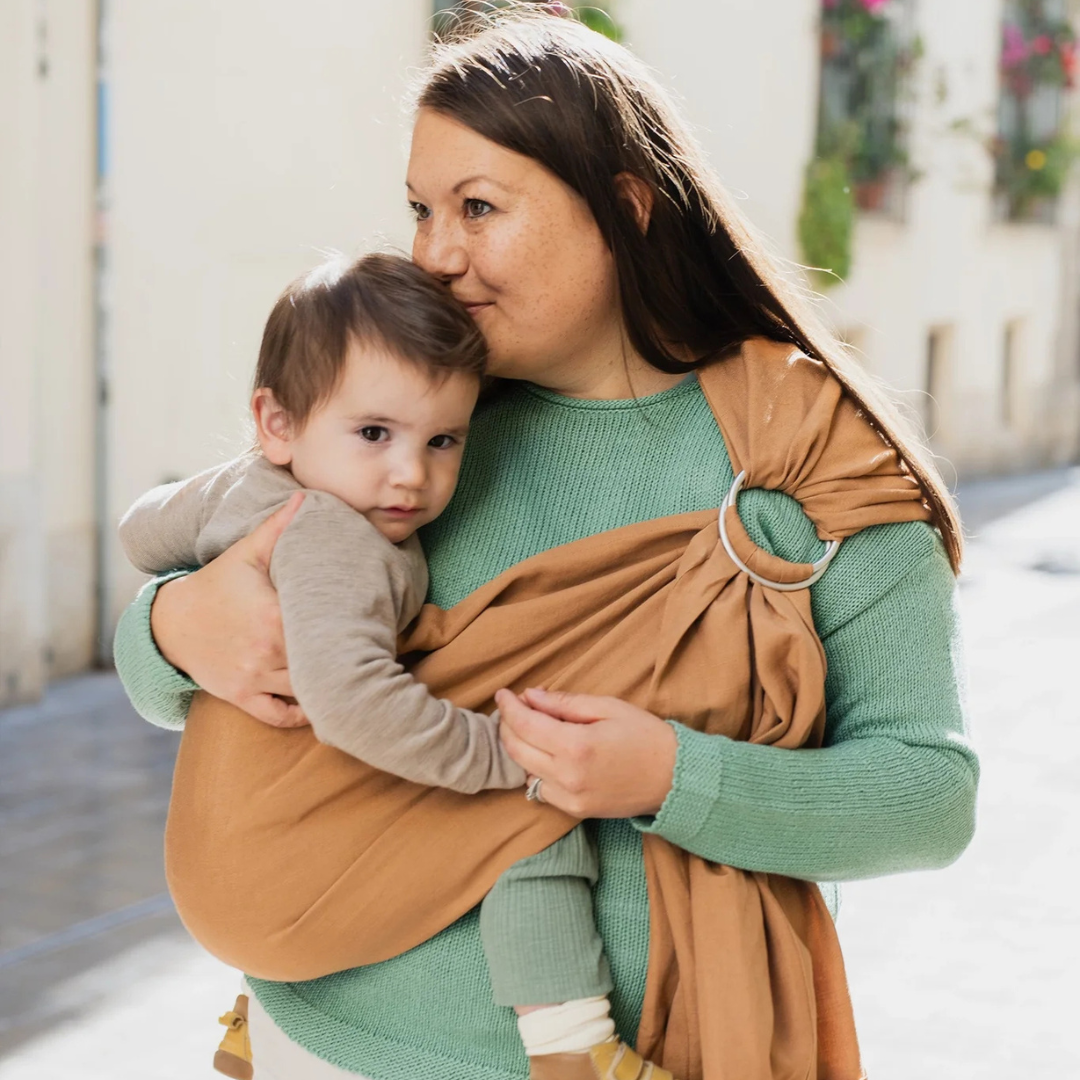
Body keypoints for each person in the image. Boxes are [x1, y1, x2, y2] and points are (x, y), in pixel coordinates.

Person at [113, 10, 978, 1080]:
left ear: (624, 210)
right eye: (422, 209)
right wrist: (170, 628)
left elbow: (927, 799)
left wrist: (667, 773)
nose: (435, 253)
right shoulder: (415, 425)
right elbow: (192, 632)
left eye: (480, 208)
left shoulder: (797, 453)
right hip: (317, 1045)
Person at [116, 252, 644, 1077]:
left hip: (215, 860)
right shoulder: (336, 537)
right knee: (540, 819)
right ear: (277, 420)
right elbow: (355, 705)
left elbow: (141, 532)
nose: (410, 475)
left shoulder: (257, 483)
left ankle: (251, 1015)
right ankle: (574, 1050)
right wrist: (507, 758)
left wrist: (224, 518)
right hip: (269, 873)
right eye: (374, 434)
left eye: (443, 441)